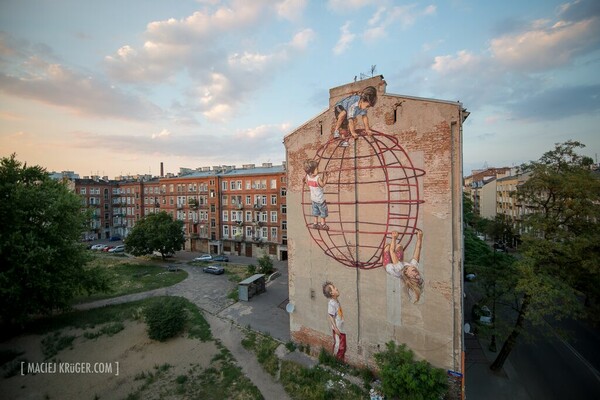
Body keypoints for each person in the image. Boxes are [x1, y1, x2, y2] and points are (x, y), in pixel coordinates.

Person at [382, 229, 424, 303]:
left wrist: (394, 237)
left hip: (388, 264)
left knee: (387, 246)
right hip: (399, 263)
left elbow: (392, 251)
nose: (416, 274)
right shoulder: (414, 266)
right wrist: (419, 238)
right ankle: (394, 250)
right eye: (418, 274)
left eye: (414, 276)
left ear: (407, 274)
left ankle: (381, 259)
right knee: (399, 246)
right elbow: (418, 249)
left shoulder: (399, 269)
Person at [322, 281, 346, 362]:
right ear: (332, 293)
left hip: (341, 328)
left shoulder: (336, 301)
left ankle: (339, 361)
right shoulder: (332, 303)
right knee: (339, 345)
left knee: (343, 346)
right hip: (338, 329)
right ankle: (336, 361)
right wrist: (335, 328)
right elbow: (330, 316)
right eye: (334, 288)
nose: (336, 288)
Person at [303, 160, 329, 230]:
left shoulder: (308, 177)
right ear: (312, 172)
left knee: (315, 211)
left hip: (313, 199)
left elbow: (306, 183)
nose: (318, 170)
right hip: (320, 200)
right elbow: (322, 185)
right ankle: (323, 224)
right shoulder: (317, 178)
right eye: (317, 169)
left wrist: (304, 181)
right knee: (323, 211)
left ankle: (315, 223)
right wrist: (326, 177)